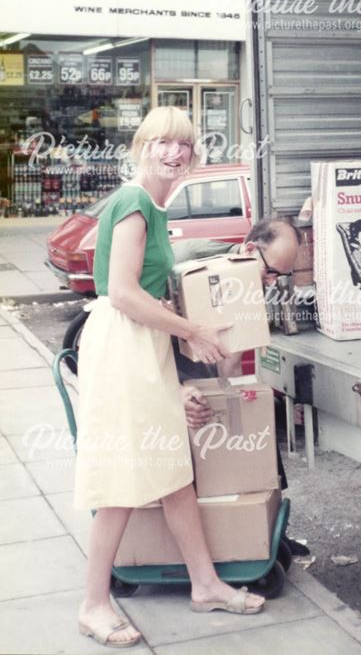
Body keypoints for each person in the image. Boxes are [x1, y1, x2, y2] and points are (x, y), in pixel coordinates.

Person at [73, 106, 265, 650]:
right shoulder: (134, 201)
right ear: (143, 146)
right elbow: (123, 292)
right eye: (163, 142)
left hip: (141, 342)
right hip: (123, 345)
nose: (174, 152)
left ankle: (204, 584)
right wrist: (192, 330)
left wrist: (181, 328)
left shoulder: (154, 207)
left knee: (172, 468)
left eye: (183, 144)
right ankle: (92, 604)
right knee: (122, 478)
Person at [175, 218, 310, 556]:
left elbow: (232, 361)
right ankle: (221, 539)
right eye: (271, 272)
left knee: (259, 430)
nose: (272, 282)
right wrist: (175, 393)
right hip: (171, 376)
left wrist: (238, 403)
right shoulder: (189, 260)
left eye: (281, 275)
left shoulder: (253, 283)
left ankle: (270, 531)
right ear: (251, 250)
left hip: (207, 376)